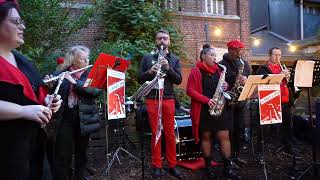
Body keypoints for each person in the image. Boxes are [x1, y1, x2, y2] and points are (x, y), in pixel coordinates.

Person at [0, 1, 62, 179]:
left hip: (34, 151)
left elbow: (34, 98)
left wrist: (49, 102)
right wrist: (22, 111)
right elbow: (26, 107)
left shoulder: (24, 63)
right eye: (16, 22)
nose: (23, 27)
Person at [46, 45, 102, 180]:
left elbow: (95, 92)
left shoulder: (91, 74)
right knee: (62, 154)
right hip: (66, 118)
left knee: (81, 154)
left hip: (85, 119)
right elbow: (52, 97)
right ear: (73, 60)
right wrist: (51, 87)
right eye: (83, 59)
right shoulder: (60, 72)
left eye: (87, 58)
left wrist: (75, 82)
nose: (87, 61)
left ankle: (80, 177)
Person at [187, 44, 240, 179]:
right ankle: (208, 167)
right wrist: (207, 100)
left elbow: (225, 86)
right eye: (211, 55)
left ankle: (227, 168)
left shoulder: (219, 70)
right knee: (206, 138)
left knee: (225, 137)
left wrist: (225, 85)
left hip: (220, 108)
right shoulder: (196, 71)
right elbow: (190, 91)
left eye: (215, 55)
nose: (214, 58)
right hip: (204, 109)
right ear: (203, 56)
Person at [138, 29, 182, 179]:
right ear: (155, 41)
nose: (162, 41)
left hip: (168, 98)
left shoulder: (174, 59)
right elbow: (140, 78)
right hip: (152, 98)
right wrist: (150, 71)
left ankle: (172, 164)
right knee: (156, 133)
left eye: (165, 38)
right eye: (159, 39)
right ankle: (157, 165)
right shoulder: (147, 57)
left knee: (170, 133)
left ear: (169, 41)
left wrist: (168, 68)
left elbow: (178, 80)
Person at [255, 47, 296, 160]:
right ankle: (260, 151)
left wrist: (289, 78)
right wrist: (280, 75)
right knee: (264, 129)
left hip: (286, 101)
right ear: (269, 56)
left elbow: (288, 84)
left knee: (288, 126)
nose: (278, 57)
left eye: (279, 55)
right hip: (271, 101)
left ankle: (288, 147)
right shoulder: (263, 69)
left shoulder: (282, 68)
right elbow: (265, 84)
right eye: (275, 55)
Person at [219, 40, 251, 167]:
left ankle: (236, 155)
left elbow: (249, 76)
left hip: (240, 101)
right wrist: (235, 78)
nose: (238, 53)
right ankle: (228, 158)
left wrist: (246, 78)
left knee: (239, 129)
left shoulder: (244, 64)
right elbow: (221, 81)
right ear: (229, 50)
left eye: (240, 50)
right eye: (236, 50)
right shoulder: (222, 64)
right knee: (229, 131)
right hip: (228, 102)